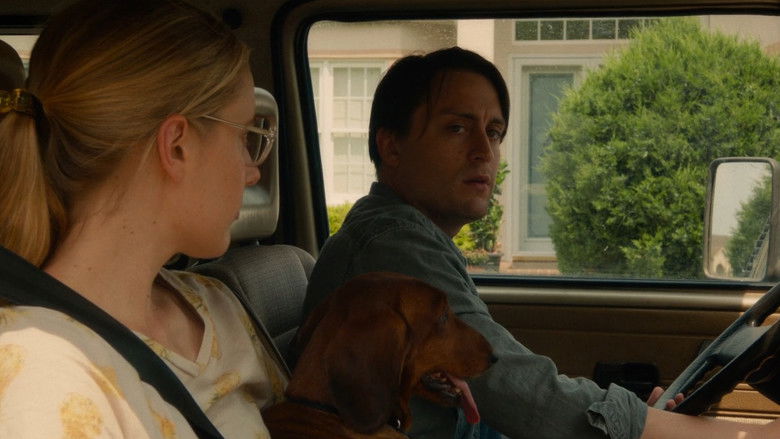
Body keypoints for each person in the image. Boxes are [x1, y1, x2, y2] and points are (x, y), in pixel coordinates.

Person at [301, 47, 780, 439]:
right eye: (457, 128)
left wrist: (641, 419)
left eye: (494, 132)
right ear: (391, 145)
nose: (484, 151)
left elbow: (503, 389)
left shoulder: (414, 238)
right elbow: (512, 386)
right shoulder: (392, 247)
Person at [0, 0, 286, 437]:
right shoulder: (42, 376)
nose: (252, 171)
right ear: (177, 146)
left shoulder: (214, 303)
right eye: (244, 136)